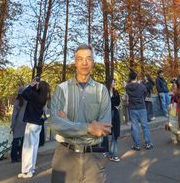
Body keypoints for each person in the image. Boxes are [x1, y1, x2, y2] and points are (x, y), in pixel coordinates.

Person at [50, 44, 111, 183]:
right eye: (80, 59)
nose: (84, 62)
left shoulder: (102, 91)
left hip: (94, 158)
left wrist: (68, 124)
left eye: (88, 58)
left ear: (93, 63)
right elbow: (55, 123)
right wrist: (89, 128)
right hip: (65, 157)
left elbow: (104, 128)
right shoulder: (61, 89)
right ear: (75, 63)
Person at [18, 78, 51, 179]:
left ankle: (27, 171)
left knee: (28, 148)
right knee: (33, 147)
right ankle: (30, 169)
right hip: (37, 124)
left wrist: (31, 85)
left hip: (32, 124)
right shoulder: (41, 98)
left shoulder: (35, 97)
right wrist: (34, 87)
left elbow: (23, 93)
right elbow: (30, 94)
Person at [125, 71, 153, 151]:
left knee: (135, 127)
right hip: (142, 107)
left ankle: (137, 145)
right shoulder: (141, 86)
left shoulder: (127, 87)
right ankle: (148, 143)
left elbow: (127, 95)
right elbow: (145, 94)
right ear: (136, 77)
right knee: (145, 126)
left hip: (133, 108)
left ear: (130, 78)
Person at [105, 78, 121, 162]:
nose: (114, 84)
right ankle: (109, 153)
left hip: (115, 115)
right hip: (107, 116)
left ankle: (114, 155)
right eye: (113, 82)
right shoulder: (104, 92)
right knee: (106, 135)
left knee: (115, 135)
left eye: (114, 82)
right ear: (109, 83)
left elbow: (117, 103)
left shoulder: (116, 92)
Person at [10, 87, 27, 163]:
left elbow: (14, 115)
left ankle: (14, 158)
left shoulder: (16, 102)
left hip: (17, 123)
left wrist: (12, 125)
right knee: (23, 140)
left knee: (15, 140)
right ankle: (20, 156)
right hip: (25, 122)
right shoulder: (27, 102)